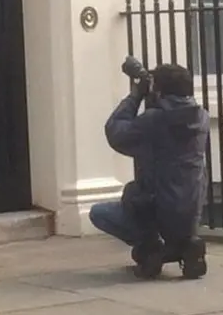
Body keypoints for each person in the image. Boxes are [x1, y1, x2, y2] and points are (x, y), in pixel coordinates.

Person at [89, 63, 210, 279]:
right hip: (191, 209)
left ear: (160, 91)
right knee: (171, 210)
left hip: (157, 207)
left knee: (99, 213)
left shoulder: (155, 121)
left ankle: (151, 247)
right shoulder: (201, 117)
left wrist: (136, 95)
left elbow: (116, 132)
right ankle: (186, 244)